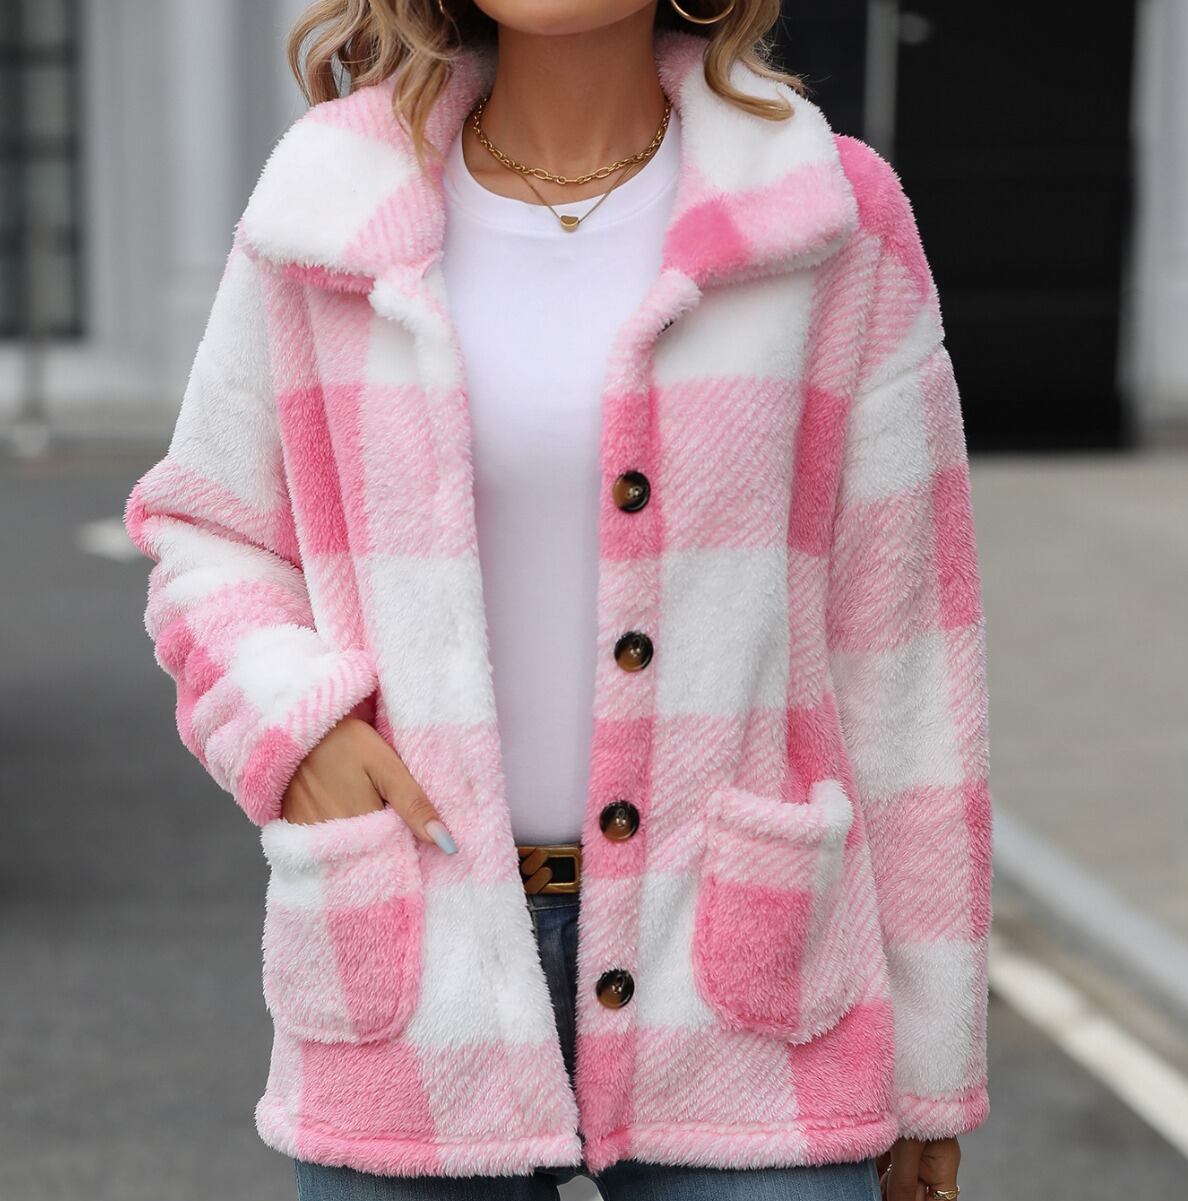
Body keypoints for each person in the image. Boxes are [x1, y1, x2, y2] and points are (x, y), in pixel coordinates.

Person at [123, 2, 992, 1199]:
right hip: (418, 963)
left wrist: (935, 1062)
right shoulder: (326, 208)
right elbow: (207, 533)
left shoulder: (826, 214)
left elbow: (904, 652)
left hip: (744, 985)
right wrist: (297, 726)